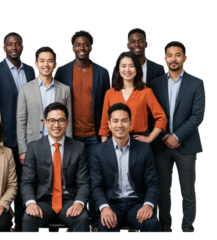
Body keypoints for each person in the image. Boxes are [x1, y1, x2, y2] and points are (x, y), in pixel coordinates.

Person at [54, 29, 111, 228]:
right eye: (78, 44)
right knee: (70, 176)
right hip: (69, 135)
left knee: (96, 176)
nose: (82, 48)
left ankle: (95, 219)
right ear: (72, 49)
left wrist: (104, 134)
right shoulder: (61, 72)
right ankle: (75, 216)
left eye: (85, 44)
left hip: (95, 135)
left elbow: (106, 105)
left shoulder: (103, 73)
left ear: (91, 48)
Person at [149, 40, 207, 233]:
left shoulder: (197, 83)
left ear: (186, 58)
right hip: (161, 145)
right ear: (164, 59)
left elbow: (198, 115)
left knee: (188, 191)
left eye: (178, 55)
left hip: (187, 145)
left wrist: (177, 136)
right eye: (170, 55)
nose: (174, 59)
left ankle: (187, 228)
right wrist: (166, 136)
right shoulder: (154, 84)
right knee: (163, 191)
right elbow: (152, 114)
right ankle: (165, 227)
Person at [90, 103, 161, 233]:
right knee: (105, 225)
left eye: (124, 120)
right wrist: (104, 207)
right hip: (112, 204)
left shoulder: (144, 149)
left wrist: (148, 205)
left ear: (130, 123)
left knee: (152, 223)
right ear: (109, 124)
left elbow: (152, 183)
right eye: (115, 121)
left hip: (137, 203)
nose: (120, 125)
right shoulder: (98, 151)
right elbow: (96, 186)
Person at [21, 102, 90, 233]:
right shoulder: (34, 148)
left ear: (67, 123)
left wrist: (79, 202)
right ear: (45, 123)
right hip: (42, 201)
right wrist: (31, 203)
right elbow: (27, 181)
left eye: (61, 120)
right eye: (52, 120)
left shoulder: (79, 148)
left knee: (83, 218)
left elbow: (84, 182)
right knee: (29, 218)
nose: (56, 125)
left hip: (68, 201)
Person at [0, 32, 37, 232]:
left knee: (29, 179)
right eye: (10, 44)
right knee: (11, 182)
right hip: (7, 136)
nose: (14, 47)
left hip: (30, 135)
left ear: (22, 47)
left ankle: (26, 221)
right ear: (3, 48)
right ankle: (13, 222)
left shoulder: (30, 70)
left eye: (17, 44)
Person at [17, 46, 72, 162]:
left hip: (58, 143)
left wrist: (69, 146)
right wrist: (22, 150)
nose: (46, 64)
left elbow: (69, 120)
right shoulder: (25, 89)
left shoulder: (65, 89)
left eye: (50, 61)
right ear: (35, 64)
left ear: (56, 64)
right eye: (42, 61)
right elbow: (21, 120)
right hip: (33, 143)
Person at [99, 50, 167, 144]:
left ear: (137, 68)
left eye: (131, 66)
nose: (127, 70)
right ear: (118, 69)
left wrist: (150, 138)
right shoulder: (110, 93)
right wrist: (104, 147)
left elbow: (161, 118)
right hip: (114, 142)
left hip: (138, 142)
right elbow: (104, 124)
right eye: (123, 66)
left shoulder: (146, 92)